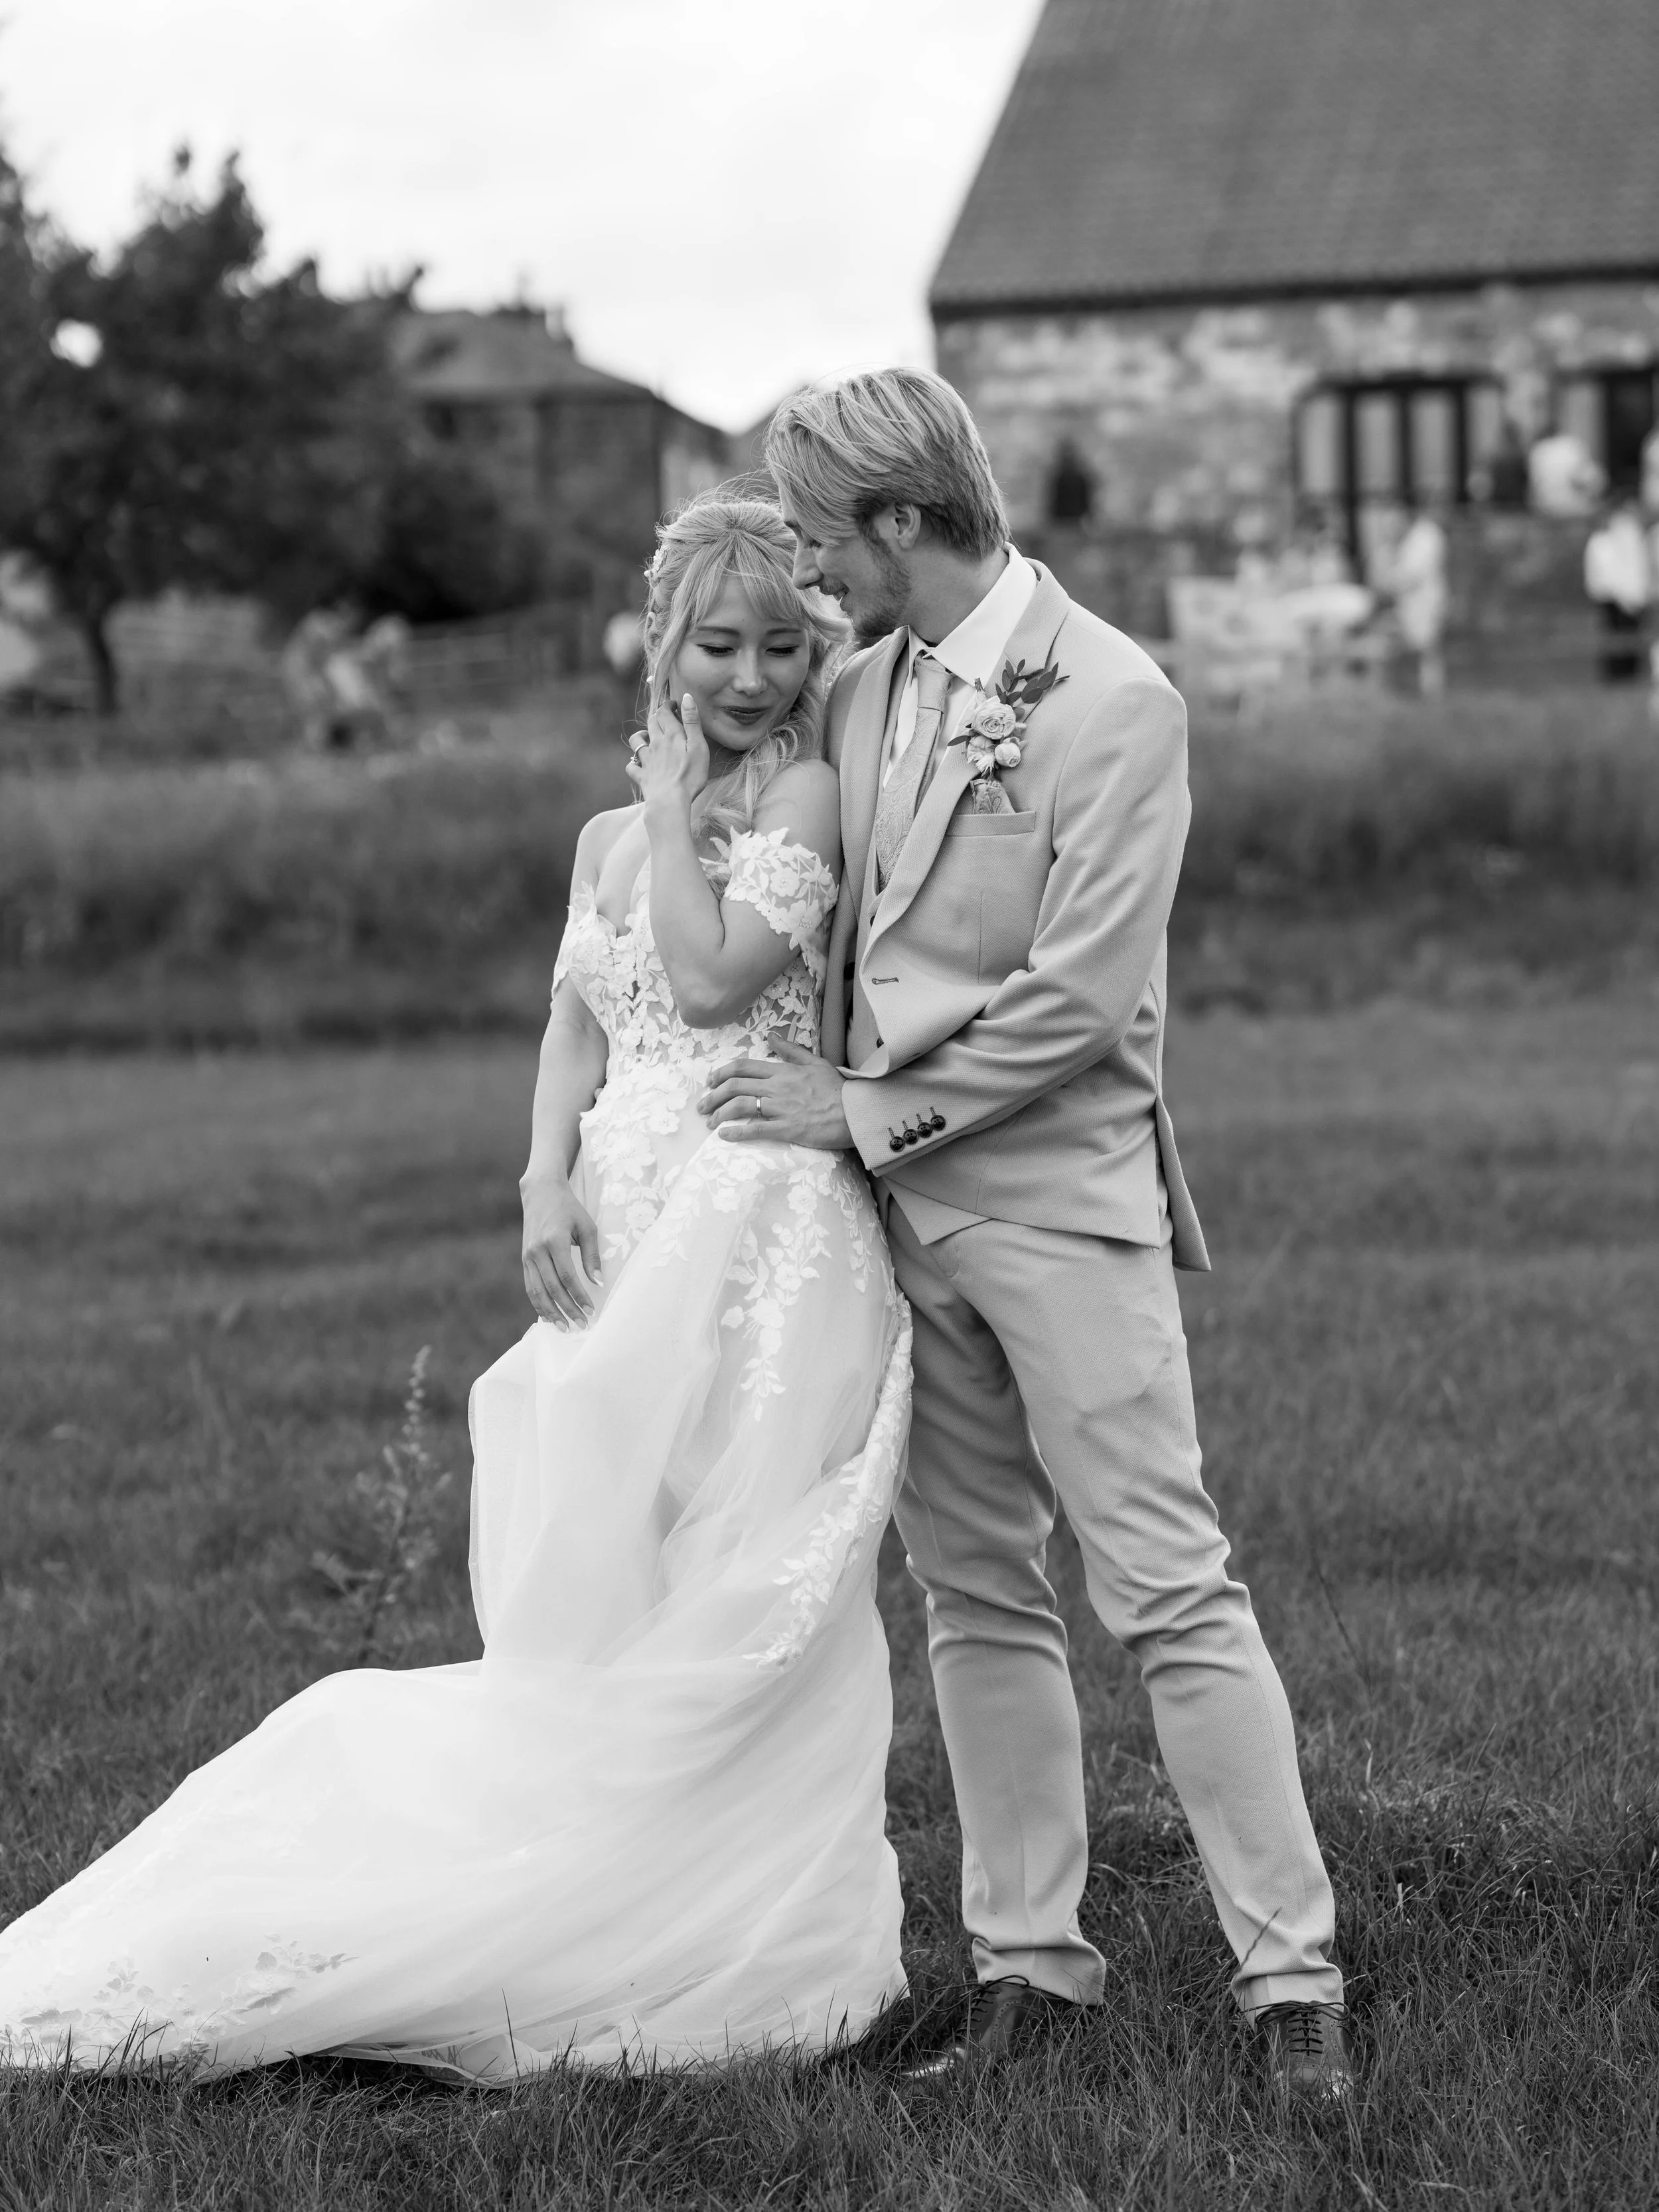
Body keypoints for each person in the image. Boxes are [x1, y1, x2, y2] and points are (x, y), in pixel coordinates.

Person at [0, 496, 911, 2081]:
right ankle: (576, 1875)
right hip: (622, 1220)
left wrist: (688, 804)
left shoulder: (812, 799)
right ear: (664, 645)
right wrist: (539, 1179)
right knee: (598, 1581)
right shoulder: (598, 836)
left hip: (761, 1227)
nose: (756, 674)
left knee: (741, 1582)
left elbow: (703, 982)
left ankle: (744, 1929)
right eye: (720, 645)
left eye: (782, 644)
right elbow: (580, 1025)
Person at [701, 368, 1351, 2101]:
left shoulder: (1114, 701)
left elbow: (1077, 1004)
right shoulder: (858, 690)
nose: (815, 574)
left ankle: (1291, 1980)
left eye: (828, 539)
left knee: (1163, 1583)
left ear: (903, 521)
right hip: (897, 1226)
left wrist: (858, 1110)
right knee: (974, 1590)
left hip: (1062, 1210)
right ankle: (1025, 1969)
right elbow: (810, 899)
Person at [1583, 498, 1652, 683]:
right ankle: (1616, 675)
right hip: (1613, 597)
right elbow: (1605, 572)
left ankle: (1629, 674)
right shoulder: (1602, 541)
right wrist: (1619, 595)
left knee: (1630, 636)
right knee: (1616, 637)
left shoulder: (1633, 536)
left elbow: (1636, 567)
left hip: (1629, 595)